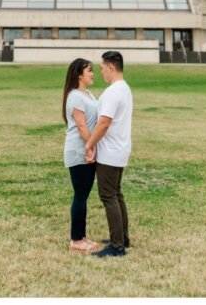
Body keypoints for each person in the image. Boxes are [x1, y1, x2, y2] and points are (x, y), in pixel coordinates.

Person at [84, 50, 133, 258]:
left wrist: (90, 144)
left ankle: (117, 246)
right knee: (117, 194)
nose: (101, 72)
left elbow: (104, 123)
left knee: (108, 196)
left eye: (103, 68)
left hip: (111, 152)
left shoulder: (114, 92)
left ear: (111, 67)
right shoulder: (124, 89)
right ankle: (123, 238)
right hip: (119, 149)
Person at [62, 57, 101, 253]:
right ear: (79, 74)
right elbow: (81, 125)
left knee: (83, 195)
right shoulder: (76, 96)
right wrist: (90, 147)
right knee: (80, 195)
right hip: (79, 150)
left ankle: (82, 236)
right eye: (89, 70)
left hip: (87, 147)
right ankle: (76, 240)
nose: (93, 73)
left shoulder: (87, 94)